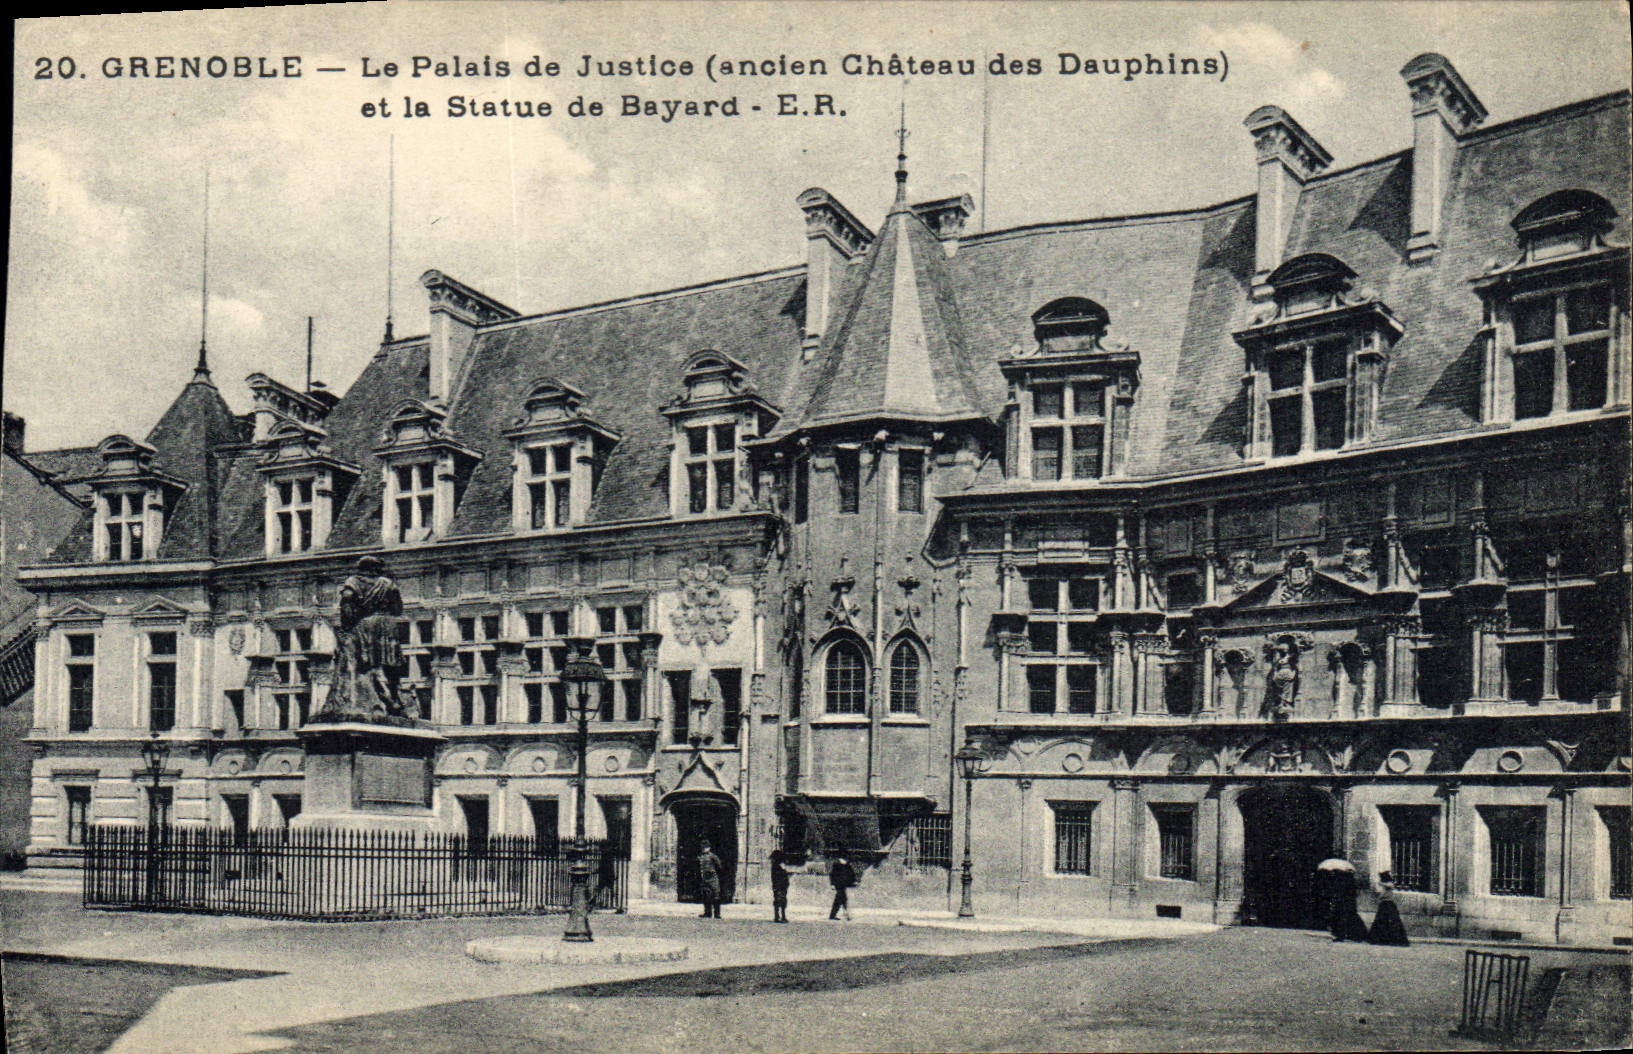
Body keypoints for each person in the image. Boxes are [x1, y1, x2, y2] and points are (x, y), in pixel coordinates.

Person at [1367, 871, 1411, 946]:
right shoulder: (1385, 887)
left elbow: (1391, 885)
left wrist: (1381, 883)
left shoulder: (1389, 884)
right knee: (1381, 921)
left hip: (1388, 904)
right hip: (1384, 904)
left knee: (1390, 921)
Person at [1328, 870, 1369, 942]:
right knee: (1351, 919)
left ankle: (1341, 935)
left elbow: (1340, 893)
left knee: (1341, 919)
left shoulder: (1342, 882)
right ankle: (1356, 935)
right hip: (1350, 904)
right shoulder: (1351, 882)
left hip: (1343, 903)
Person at [697, 840, 723, 919]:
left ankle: (717, 914)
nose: (704, 849)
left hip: (713, 878)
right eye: (703, 847)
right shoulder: (700, 857)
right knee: (706, 895)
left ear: (709, 848)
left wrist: (714, 873)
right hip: (704, 878)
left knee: (716, 895)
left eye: (706, 847)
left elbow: (719, 865)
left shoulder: (713, 856)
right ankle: (707, 913)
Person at [828, 855, 855, 921]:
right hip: (838, 884)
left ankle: (833, 915)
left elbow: (851, 873)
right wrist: (832, 884)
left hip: (843, 884)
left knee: (840, 899)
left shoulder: (847, 864)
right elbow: (832, 874)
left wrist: (851, 881)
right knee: (842, 898)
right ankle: (846, 914)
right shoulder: (836, 864)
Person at [769, 850, 790, 923]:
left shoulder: (775, 865)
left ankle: (778, 916)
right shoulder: (778, 866)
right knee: (780, 901)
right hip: (780, 886)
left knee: (779, 901)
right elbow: (782, 875)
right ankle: (780, 916)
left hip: (779, 886)